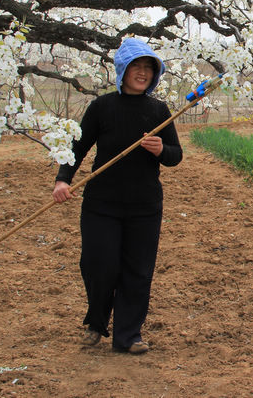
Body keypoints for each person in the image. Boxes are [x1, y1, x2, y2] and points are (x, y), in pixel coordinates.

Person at [52, 37, 183, 355]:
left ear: (155, 74)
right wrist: (62, 180)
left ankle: (129, 335)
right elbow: (77, 148)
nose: (142, 73)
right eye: (136, 67)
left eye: (148, 68)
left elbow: (175, 155)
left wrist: (160, 149)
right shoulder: (102, 107)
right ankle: (97, 322)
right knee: (100, 265)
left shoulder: (159, 111)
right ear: (123, 70)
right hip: (102, 204)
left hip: (144, 205)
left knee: (137, 270)